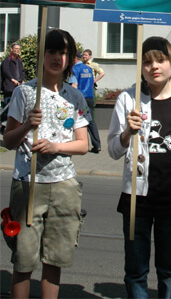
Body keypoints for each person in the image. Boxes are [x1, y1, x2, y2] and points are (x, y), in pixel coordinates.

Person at [108, 36, 171, 298]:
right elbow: (113, 151)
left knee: (169, 271)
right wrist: (128, 132)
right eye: (147, 62)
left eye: (160, 60)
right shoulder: (128, 99)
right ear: (140, 67)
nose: (154, 67)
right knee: (136, 271)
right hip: (136, 199)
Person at [3, 29, 90, 299]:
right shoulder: (25, 93)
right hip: (29, 184)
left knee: (55, 259)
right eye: (51, 51)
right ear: (41, 56)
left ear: (70, 59)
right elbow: (8, 140)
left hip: (64, 186)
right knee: (24, 260)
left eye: (63, 52)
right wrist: (28, 124)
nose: (57, 58)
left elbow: (83, 144)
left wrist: (56, 147)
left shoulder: (74, 97)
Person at [71, 51, 101, 154]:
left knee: (74, 121)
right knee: (91, 121)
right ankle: (97, 144)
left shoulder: (74, 69)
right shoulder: (88, 69)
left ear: (75, 58)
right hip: (90, 96)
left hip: (80, 98)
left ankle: (72, 143)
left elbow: (74, 85)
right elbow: (92, 82)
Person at [1, 43, 25, 123]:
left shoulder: (19, 60)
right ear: (11, 50)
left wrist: (22, 80)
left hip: (18, 86)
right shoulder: (7, 60)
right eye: (16, 48)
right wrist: (12, 80)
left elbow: (22, 71)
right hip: (9, 87)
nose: (17, 50)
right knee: (7, 105)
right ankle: (4, 122)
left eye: (19, 49)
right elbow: (5, 71)